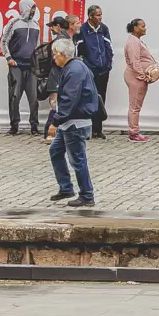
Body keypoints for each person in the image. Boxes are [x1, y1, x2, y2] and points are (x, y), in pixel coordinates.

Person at [46, 38, 99, 207]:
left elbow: (70, 99)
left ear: (62, 54)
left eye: (55, 55)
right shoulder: (76, 67)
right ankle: (66, 187)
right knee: (55, 151)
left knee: (77, 159)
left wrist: (55, 121)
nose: (54, 58)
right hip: (70, 122)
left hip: (74, 122)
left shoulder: (74, 70)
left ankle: (87, 195)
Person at [2, 0, 42, 137]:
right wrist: (9, 58)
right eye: (32, 8)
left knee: (34, 98)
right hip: (16, 66)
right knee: (14, 97)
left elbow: (38, 46)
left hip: (31, 68)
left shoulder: (37, 25)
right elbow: (3, 42)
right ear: (25, 7)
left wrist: (37, 63)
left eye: (35, 8)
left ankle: (34, 127)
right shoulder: (13, 23)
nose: (33, 11)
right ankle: (14, 126)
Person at [122, 19, 159, 142]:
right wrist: (141, 76)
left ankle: (134, 131)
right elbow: (135, 61)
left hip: (137, 76)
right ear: (135, 28)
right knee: (135, 106)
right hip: (135, 77)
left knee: (136, 105)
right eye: (142, 26)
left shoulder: (136, 40)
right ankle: (134, 133)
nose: (145, 28)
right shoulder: (133, 42)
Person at [78, 6, 114, 141]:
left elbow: (108, 48)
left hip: (103, 70)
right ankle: (88, 129)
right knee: (88, 99)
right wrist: (86, 67)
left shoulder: (104, 29)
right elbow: (79, 50)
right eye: (97, 15)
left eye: (101, 15)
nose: (100, 17)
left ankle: (98, 129)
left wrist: (108, 65)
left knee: (100, 99)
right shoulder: (82, 29)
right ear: (90, 16)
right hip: (89, 70)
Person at [35, 12, 73, 135]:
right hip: (60, 78)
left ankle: (49, 132)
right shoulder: (67, 39)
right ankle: (51, 133)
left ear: (58, 26)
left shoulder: (59, 41)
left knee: (55, 107)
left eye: (52, 26)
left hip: (56, 78)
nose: (51, 29)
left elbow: (54, 61)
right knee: (57, 106)